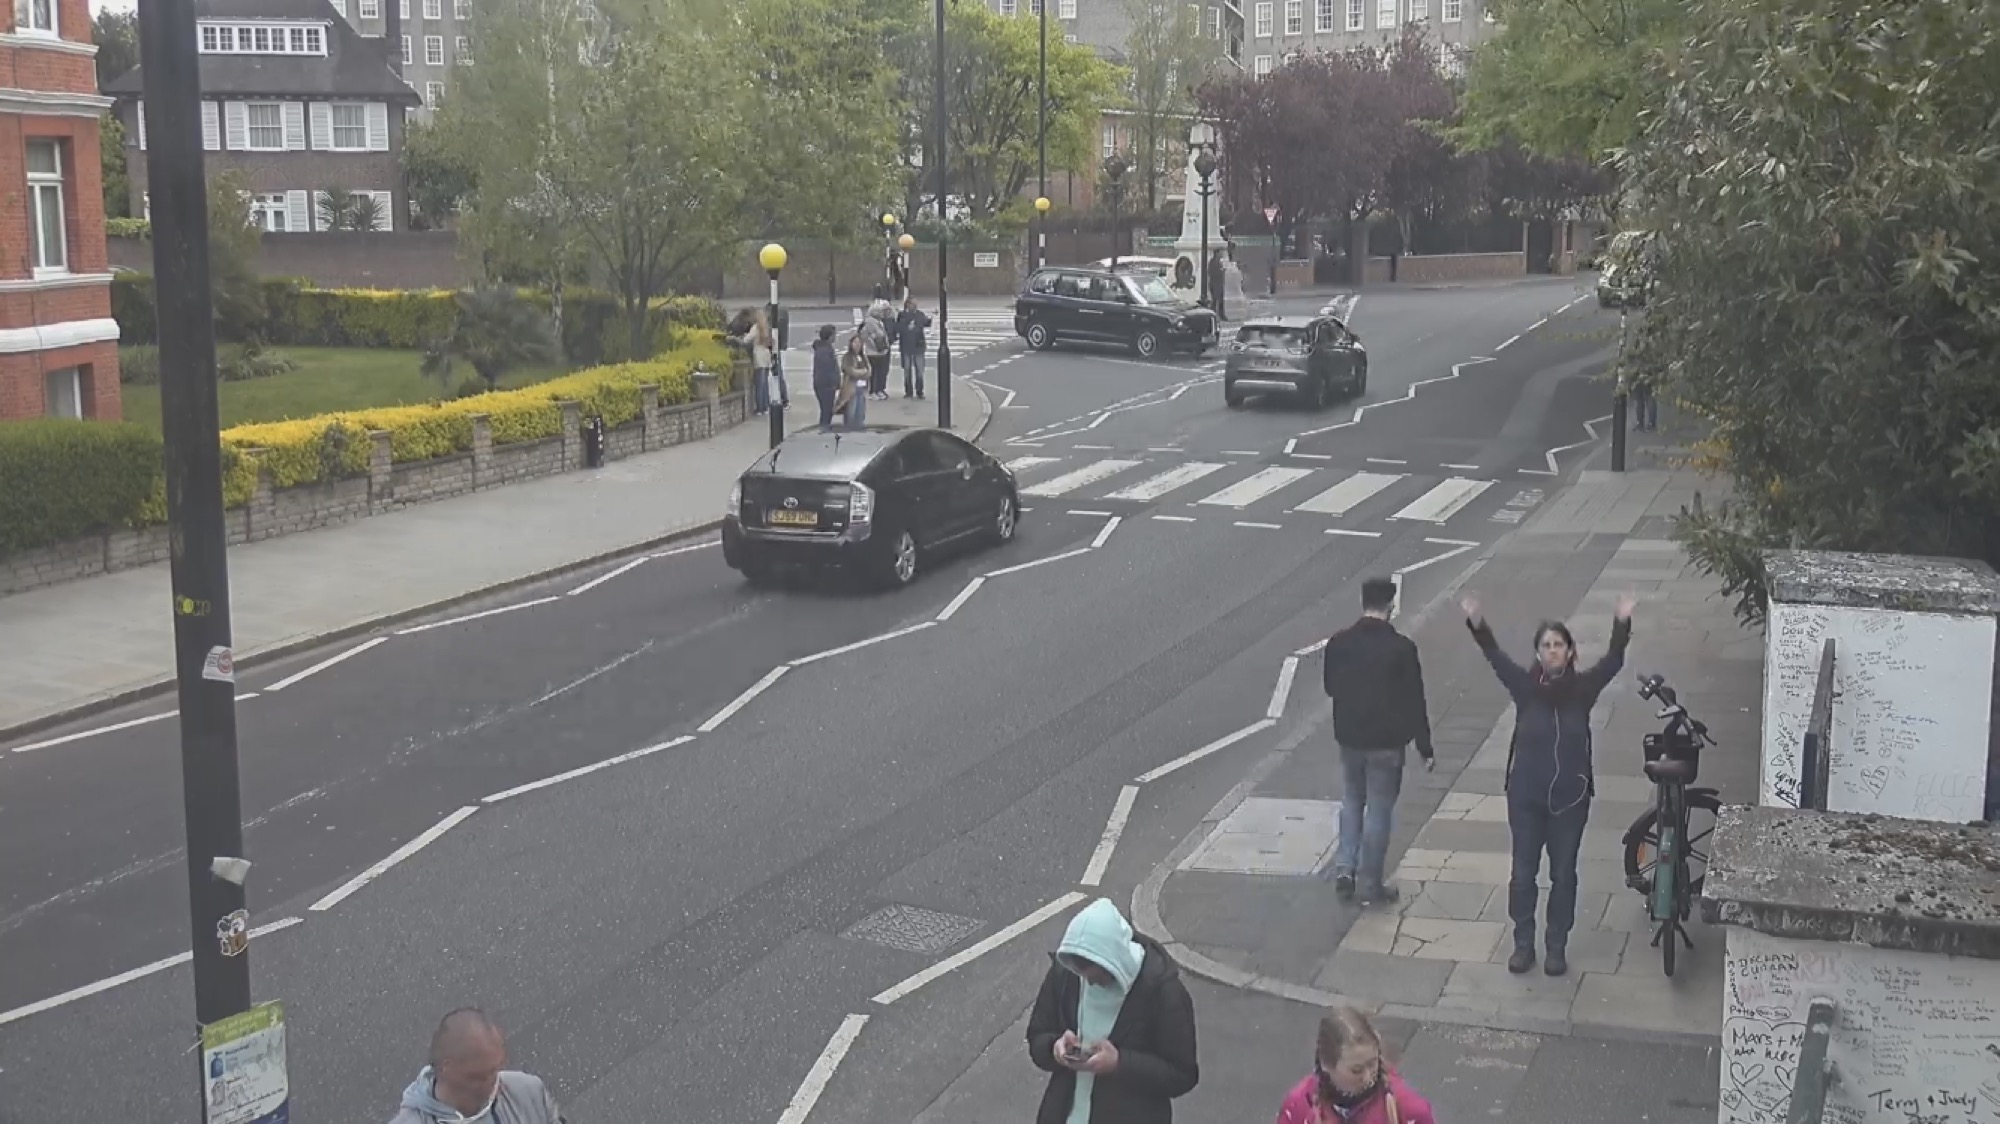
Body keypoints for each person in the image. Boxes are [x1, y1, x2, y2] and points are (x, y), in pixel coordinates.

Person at [1462, 591, 1636, 977]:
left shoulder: (1582, 690)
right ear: (1538, 653)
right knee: (1523, 874)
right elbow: (1494, 656)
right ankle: (1523, 944)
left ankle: (1556, 944)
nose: (1553, 650)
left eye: (1559, 644)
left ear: (1571, 652)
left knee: (1563, 874)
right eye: (1546, 645)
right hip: (1526, 799)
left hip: (1569, 801)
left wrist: (1622, 622)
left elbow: (1614, 661)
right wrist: (1478, 623)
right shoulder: (1525, 688)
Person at [1027, 898, 1199, 1124]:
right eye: (1083, 976)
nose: (1089, 983)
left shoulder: (1162, 992)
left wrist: (1120, 1063)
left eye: (1097, 976)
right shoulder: (1068, 974)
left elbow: (1182, 1075)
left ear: (1114, 962)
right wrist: (1055, 1048)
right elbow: (1037, 1037)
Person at [1321, 577, 1435, 905]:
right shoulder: (1401, 649)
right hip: (1387, 743)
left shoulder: (1339, 644)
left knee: (1353, 801)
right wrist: (1425, 747)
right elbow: (1416, 700)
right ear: (1391, 605)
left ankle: (1345, 869)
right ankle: (1371, 884)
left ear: (1363, 603)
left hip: (1350, 738)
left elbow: (1331, 687)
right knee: (1379, 810)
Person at [389, 1008, 564, 1124]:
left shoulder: (529, 1092)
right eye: (478, 1076)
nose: (493, 1083)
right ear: (446, 1068)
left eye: (495, 1070)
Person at [1273, 1007, 1435, 1124]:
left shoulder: (1408, 1108)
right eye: (1356, 1070)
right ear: (1326, 1064)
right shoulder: (1299, 1107)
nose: (1369, 1077)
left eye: (1373, 1063)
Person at [896, 297, 932, 400]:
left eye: (915, 303)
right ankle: (908, 391)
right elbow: (898, 328)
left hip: (918, 345)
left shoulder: (920, 314)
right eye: (913, 303)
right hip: (906, 346)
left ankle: (919, 391)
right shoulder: (902, 315)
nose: (915, 305)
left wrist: (932, 319)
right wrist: (907, 327)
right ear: (908, 304)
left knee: (919, 370)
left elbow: (925, 323)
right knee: (907, 370)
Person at [745, 308, 778, 416]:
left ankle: (759, 408)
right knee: (764, 384)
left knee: (759, 383)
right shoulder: (767, 328)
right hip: (766, 355)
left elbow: (747, 339)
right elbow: (773, 342)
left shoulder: (755, 328)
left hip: (758, 355)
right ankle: (765, 406)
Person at [862, 295, 895, 400]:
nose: (882, 313)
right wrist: (874, 344)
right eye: (881, 311)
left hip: (881, 351)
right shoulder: (870, 322)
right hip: (873, 352)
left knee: (881, 371)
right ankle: (872, 391)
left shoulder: (880, 321)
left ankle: (878, 390)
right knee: (874, 372)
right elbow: (865, 335)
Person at [811, 324, 842, 432]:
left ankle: (824, 428)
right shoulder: (824, 350)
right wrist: (834, 383)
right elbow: (827, 369)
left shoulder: (825, 348)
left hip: (824, 384)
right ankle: (824, 429)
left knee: (827, 410)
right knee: (826, 410)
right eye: (834, 334)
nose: (836, 336)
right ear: (830, 336)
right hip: (825, 385)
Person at [840, 333, 872, 429]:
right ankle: (849, 427)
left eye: (859, 342)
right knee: (851, 410)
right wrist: (862, 372)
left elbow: (869, 370)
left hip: (862, 387)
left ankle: (859, 426)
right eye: (855, 342)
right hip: (851, 387)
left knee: (860, 409)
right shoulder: (847, 357)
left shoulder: (863, 357)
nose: (857, 344)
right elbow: (849, 370)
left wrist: (864, 372)